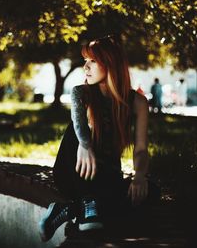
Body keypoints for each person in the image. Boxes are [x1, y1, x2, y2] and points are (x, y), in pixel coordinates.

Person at [39, 36, 156, 242]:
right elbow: (78, 123)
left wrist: (139, 176)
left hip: (105, 174)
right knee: (78, 133)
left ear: (110, 62)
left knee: (151, 191)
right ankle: (87, 202)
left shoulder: (137, 102)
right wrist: (85, 144)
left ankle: (69, 209)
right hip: (72, 171)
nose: (86, 67)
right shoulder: (81, 93)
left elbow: (140, 149)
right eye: (85, 61)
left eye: (92, 61)